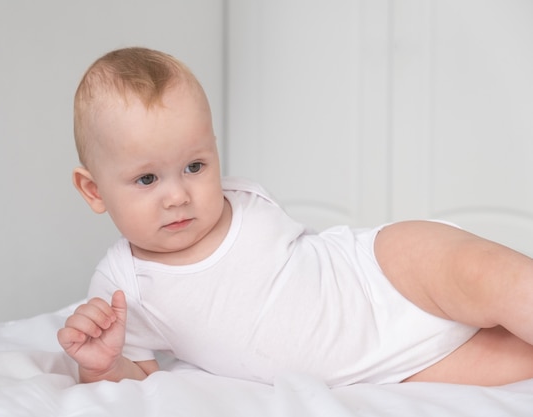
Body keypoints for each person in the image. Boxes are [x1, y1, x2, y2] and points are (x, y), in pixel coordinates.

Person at [57, 47, 533, 388]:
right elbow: (140, 379)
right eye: (147, 180)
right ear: (93, 190)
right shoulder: (124, 288)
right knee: (515, 362)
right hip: (384, 365)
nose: (178, 195)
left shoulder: (238, 199)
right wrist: (102, 366)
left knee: (488, 278)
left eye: (195, 166)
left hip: (379, 272)